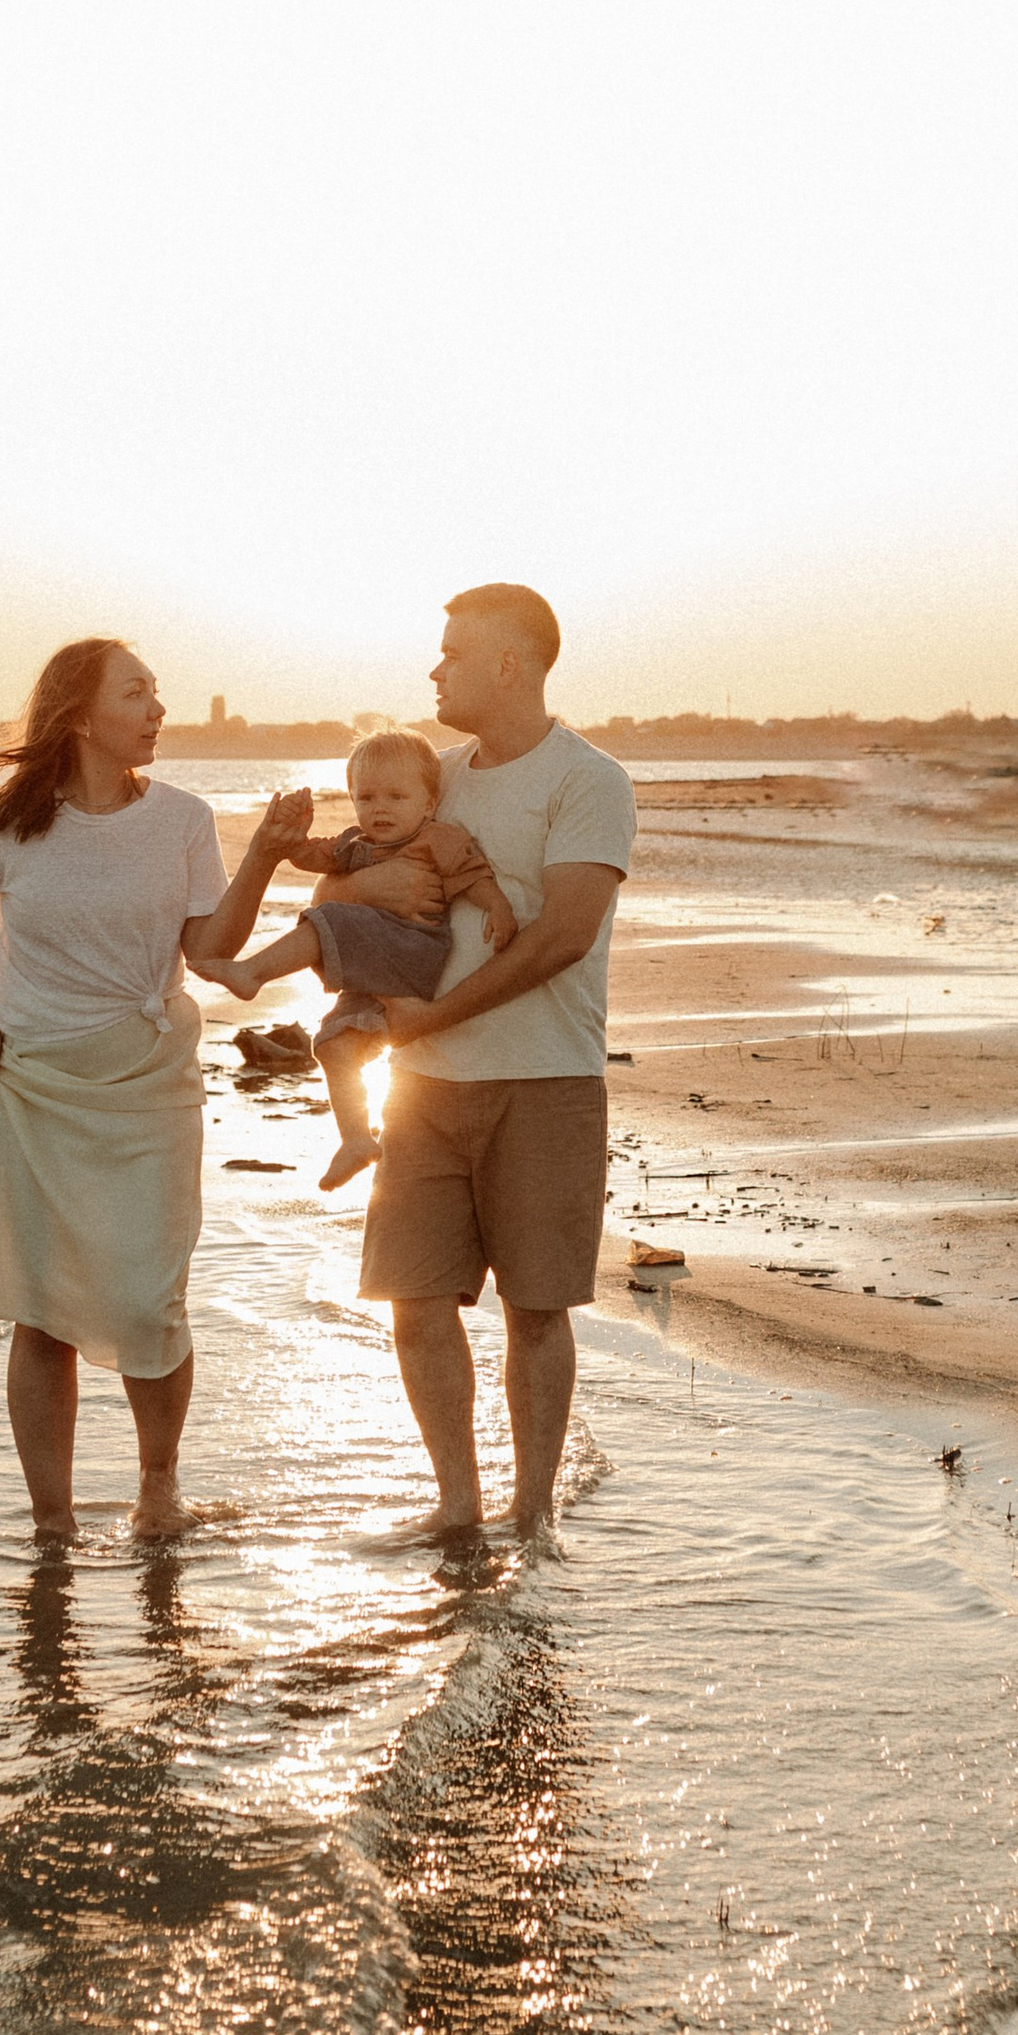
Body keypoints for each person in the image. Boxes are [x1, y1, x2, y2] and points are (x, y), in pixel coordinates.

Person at [0, 638, 307, 1537]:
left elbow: (209, 955)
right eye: (138, 694)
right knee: (40, 1307)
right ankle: (51, 1522)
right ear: (83, 715)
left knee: (147, 1299)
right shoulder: (8, 822)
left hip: (148, 1083)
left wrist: (267, 859)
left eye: (157, 693)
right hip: (41, 1087)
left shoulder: (183, 819)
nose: (158, 709)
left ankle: (157, 1486)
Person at [361, 583, 637, 1539]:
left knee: (535, 1307)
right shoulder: (432, 778)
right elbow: (372, 883)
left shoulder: (589, 778)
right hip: (422, 1088)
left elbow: (563, 934)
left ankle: (530, 1514)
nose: (434, 669)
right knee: (415, 1299)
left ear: (510, 663)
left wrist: (430, 1013)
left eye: (452, 653)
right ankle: (456, 1503)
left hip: (545, 1079)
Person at [189, 730, 516, 1192]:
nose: (379, 808)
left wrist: (497, 905)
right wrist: (290, 835)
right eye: (366, 797)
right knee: (333, 1043)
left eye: (396, 796)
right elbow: (310, 855)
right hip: (372, 967)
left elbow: (471, 873)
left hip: (411, 950)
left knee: (333, 918)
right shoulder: (354, 844)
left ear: (429, 802)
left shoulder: (436, 837)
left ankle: (252, 973)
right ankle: (356, 1138)